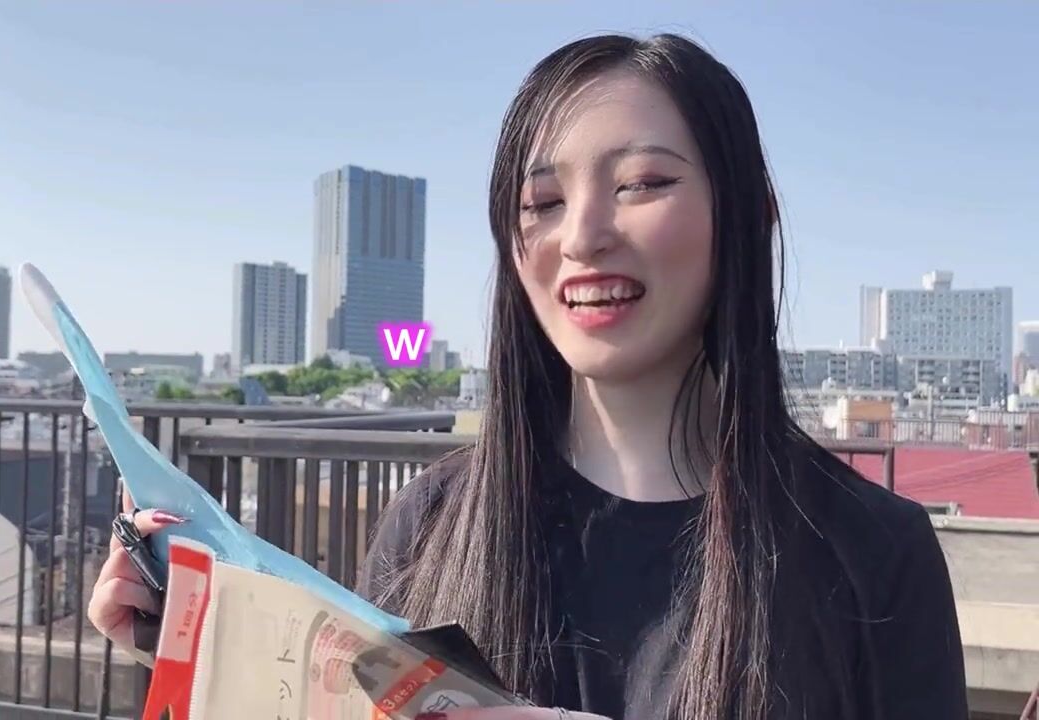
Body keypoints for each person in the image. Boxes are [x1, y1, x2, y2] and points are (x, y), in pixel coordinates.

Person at [89, 32, 969, 720]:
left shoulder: (872, 551)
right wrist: (210, 650)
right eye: (542, 202)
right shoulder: (434, 523)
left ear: (750, 217)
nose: (581, 235)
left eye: (643, 183)